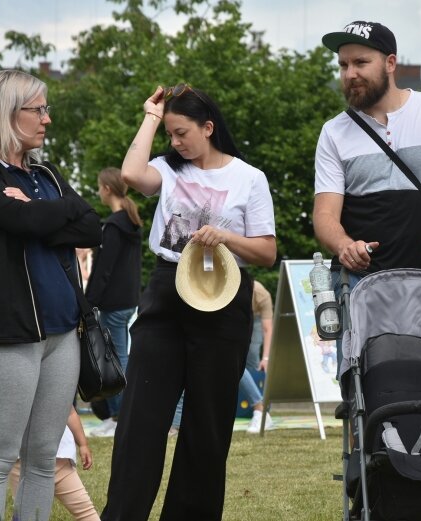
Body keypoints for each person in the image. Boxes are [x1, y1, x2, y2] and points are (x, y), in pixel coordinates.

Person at [101, 83, 276, 521]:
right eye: (170, 135)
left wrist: (227, 236)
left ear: (208, 128)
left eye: (182, 133)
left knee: (207, 429)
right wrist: (152, 116)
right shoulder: (168, 167)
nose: (175, 143)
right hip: (166, 291)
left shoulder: (249, 178)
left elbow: (267, 251)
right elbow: (130, 175)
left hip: (224, 298)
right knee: (141, 420)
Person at [0, 69, 102, 520]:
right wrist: (50, 218)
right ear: (5, 112)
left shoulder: (47, 175)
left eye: (46, 109)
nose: (46, 119)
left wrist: (36, 210)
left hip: (62, 333)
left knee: (43, 460)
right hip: (7, 334)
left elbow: (91, 225)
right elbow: (28, 224)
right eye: (38, 109)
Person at [313, 21, 421, 370]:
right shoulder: (333, 132)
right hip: (362, 284)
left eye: (360, 63)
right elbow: (324, 215)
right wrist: (343, 246)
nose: (350, 73)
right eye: (343, 65)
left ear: (391, 63)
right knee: (360, 386)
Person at [85, 166, 143, 437]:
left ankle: (119, 416)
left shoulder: (113, 226)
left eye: (99, 187)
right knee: (119, 355)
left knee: (113, 358)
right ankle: (119, 414)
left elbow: (103, 270)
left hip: (113, 303)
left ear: (107, 189)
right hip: (128, 299)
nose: (98, 192)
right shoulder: (131, 222)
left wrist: (88, 301)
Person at [10, 406, 100, 521]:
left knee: (84, 510)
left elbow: (69, 412)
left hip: (54, 458)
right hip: (32, 459)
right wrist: (83, 444)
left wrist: (83, 444)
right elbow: (70, 412)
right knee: (84, 510)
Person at [245, 279, 275, 434]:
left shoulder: (261, 294)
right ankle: (257, 407)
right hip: (234, 314)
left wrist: (266, 358)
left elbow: (267, 328)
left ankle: (260, 410)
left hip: (256, 318)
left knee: (252, 357)